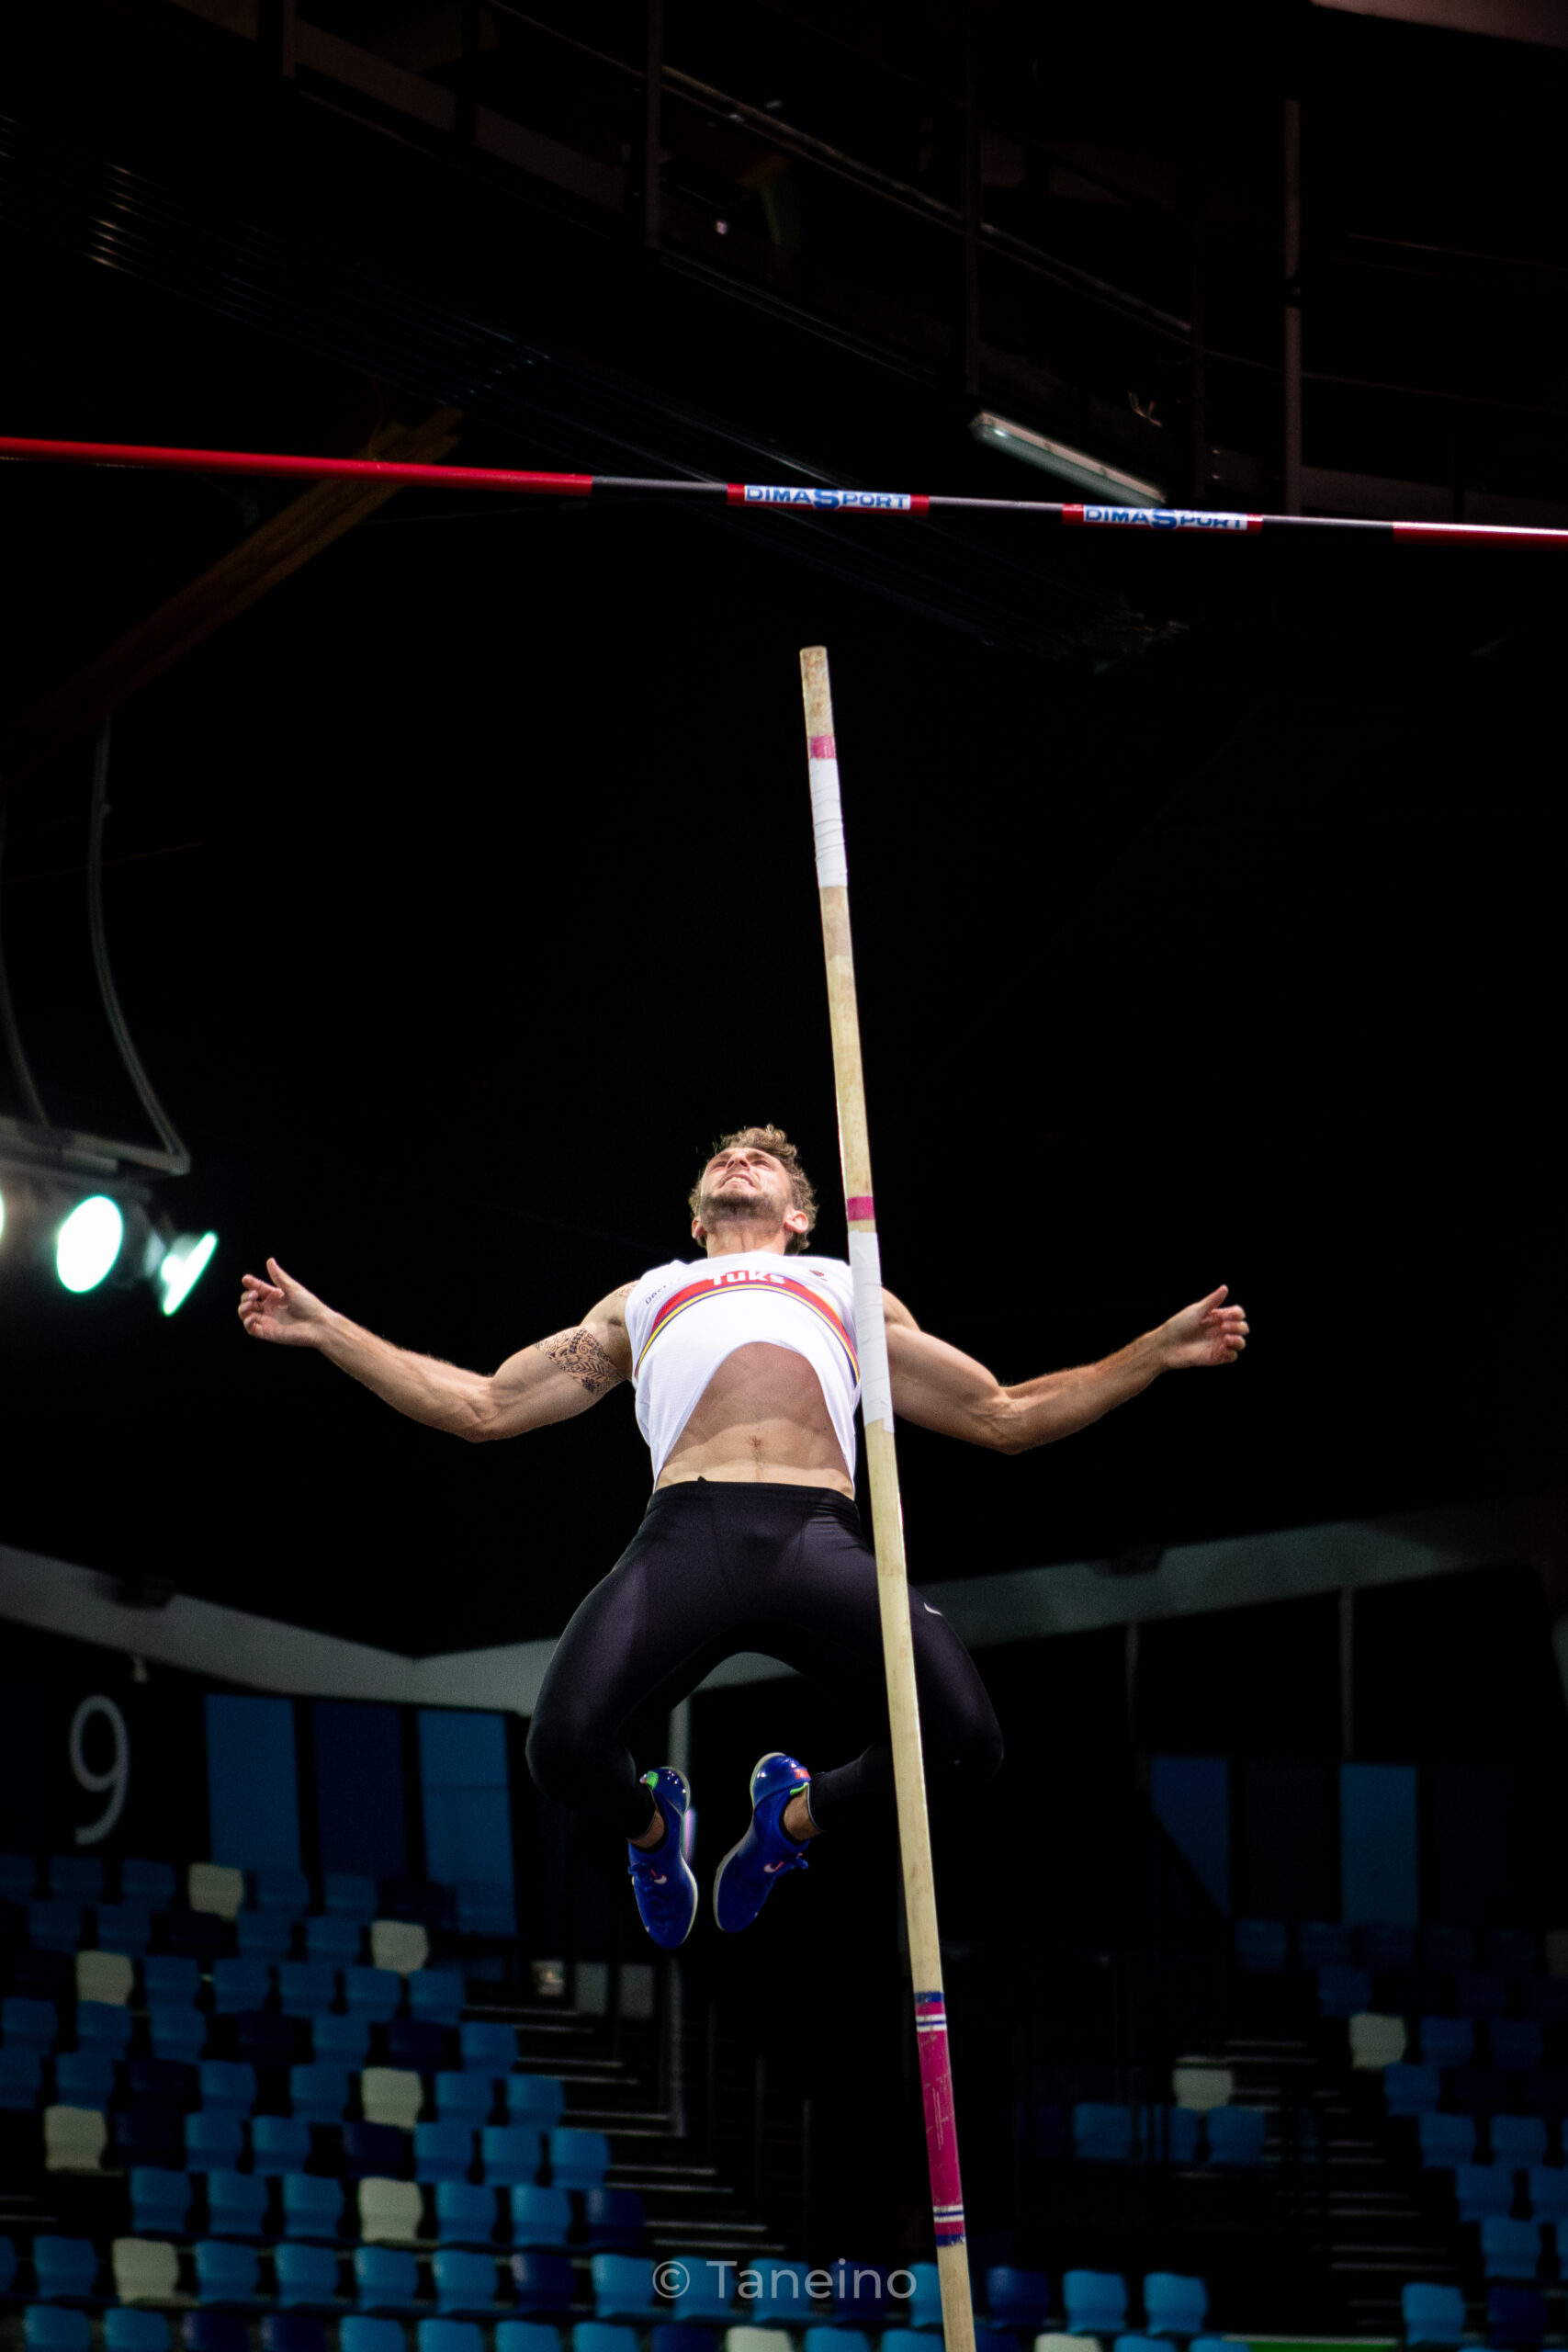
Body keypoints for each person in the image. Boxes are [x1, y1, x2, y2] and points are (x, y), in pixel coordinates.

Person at [238, 1124, 1248, 1950]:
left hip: (820, 1538)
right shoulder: (645, 1298)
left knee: (965, 1745)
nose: (740, 1156)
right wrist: (329, 1331)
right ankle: (653, 1831)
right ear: (695, 1218)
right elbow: (484, 1406)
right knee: (563, 1749)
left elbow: (1003, 1414)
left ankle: (789, 1820)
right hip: (688, 1534)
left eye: (764, 1158)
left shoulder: (847, 1290)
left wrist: (1153, 1354)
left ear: (800, 1216)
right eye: (726, 1155)